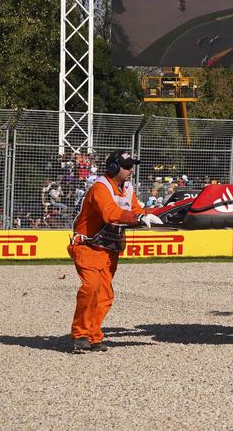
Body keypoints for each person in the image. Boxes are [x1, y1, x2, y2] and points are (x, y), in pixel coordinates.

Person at [67, 150, 162, 353]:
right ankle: (80, 335)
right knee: (91, 288)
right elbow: (110, 213)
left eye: (132, 166)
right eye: (127, 167)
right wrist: (136, 218)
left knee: (105, 295)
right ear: (113, 168)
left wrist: (162, 213)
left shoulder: (127, 189)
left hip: (108, 249)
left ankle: (93, 336)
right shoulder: (101, 188)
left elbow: (138, 210)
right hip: (88, 246)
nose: (131, 170)